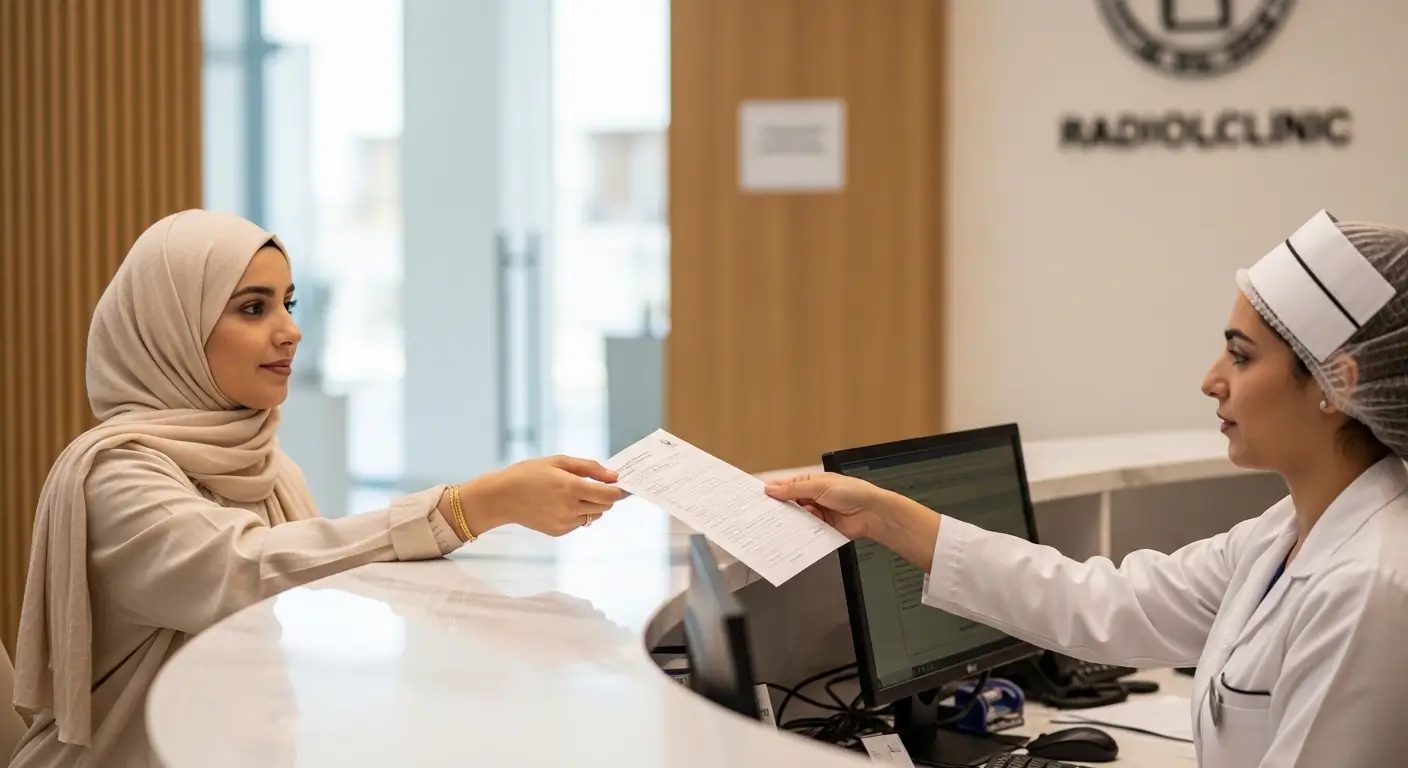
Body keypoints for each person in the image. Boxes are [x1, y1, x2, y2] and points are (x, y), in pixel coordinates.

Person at [767, 210, 1408, 767]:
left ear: (1337, 384)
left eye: (1241, 356)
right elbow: (1108, 602)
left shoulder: (1365, 586)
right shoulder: (1285, 534)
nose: (1211, 380)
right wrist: (884, 517)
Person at [9, 209, 627, 767]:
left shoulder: (265, 463)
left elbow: (332, 586)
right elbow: (243, 569)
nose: (289, 331)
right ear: (170, 331)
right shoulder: (116, 475)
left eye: (288, 303)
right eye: (254, 308)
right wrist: (474, 506)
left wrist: (506, 628)